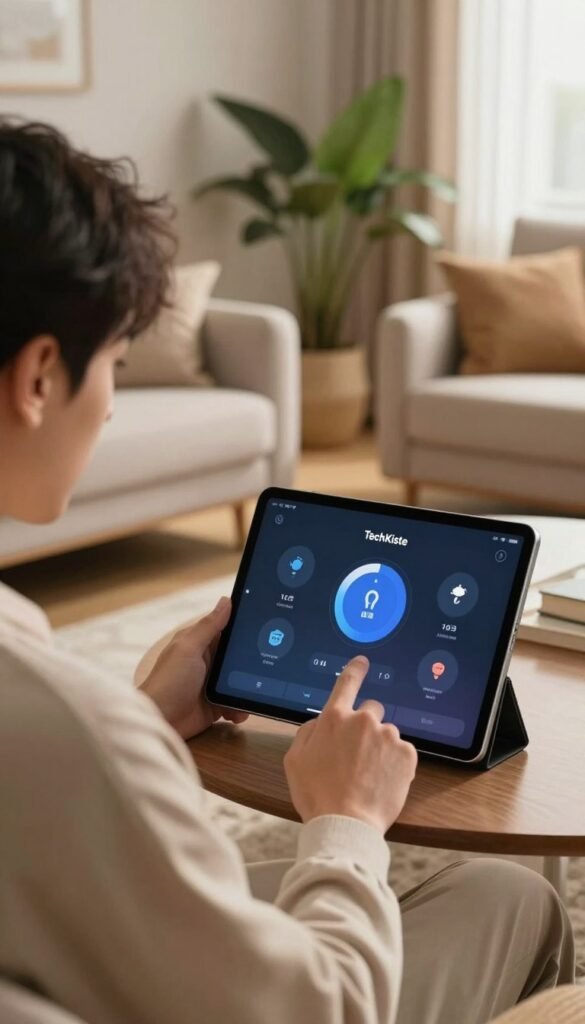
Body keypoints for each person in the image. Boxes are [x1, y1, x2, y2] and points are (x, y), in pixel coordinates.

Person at [0, 119, 575, 1024]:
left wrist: (151, 719)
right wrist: (343, 819)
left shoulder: (54, 713)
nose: (112, 405)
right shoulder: (53, 710)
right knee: (520, 902)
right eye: (116, 362)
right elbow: (325, 1009)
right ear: (39, 378)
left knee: (498, 893)